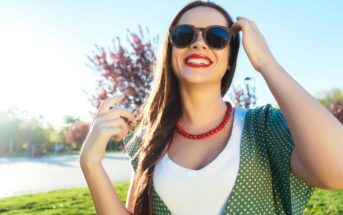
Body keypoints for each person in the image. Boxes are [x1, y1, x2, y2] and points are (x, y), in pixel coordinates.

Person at [80, 1, 343, 215]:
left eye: (216, 37)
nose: (198, 43)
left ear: (231, 59)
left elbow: (337, 172)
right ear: (170, 53)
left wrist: (268, 64)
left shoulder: (264, 128)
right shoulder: (148, 141)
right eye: (183, 35)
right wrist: (90, 163)